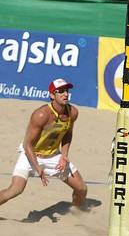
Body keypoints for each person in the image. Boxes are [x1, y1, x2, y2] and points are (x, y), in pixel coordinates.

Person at [0, 79, 88, 210]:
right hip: (31, 155)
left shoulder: (72, 112)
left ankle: (75, 213)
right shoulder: (41, 114)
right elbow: (27, 144)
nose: (66, 94)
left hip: (53, 156)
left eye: (67, 91)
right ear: (52, 95)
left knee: (81, 188)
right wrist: (37, 167)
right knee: (16, 189)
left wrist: (64, 156)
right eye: (61, 91)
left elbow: (68, 134)